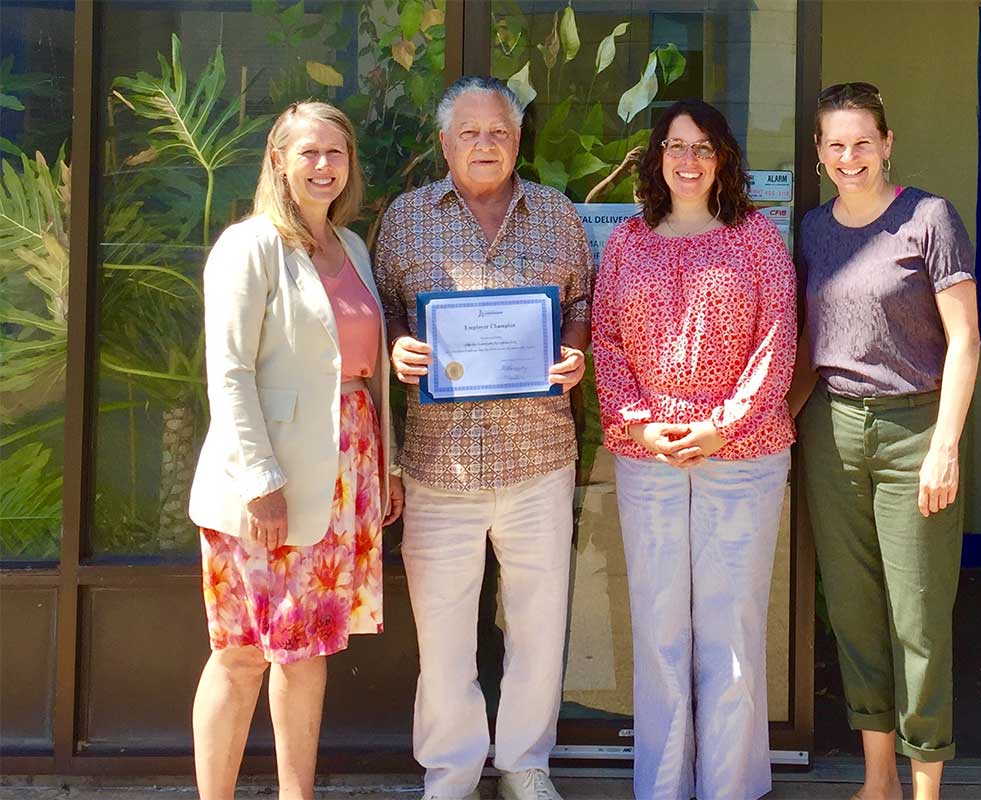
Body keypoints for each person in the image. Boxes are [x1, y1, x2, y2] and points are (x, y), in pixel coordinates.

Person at [372, 76, 593, 800]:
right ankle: (452, 771)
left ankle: (526, 764)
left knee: (538, 625)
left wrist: (573, 350)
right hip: (439, 463)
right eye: (468, 133)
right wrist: (399, 346)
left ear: (519, 139)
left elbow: (581, 304)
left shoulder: (558, 216)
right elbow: (382, 316)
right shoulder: (404, 220)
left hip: (538, 457)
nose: (484, 144)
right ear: (444, 143)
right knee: (443, 637)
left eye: (497, 131)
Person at [188, 100, 403, 800]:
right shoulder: (251, 246)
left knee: (308, 650)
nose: (323, 165)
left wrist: (387, 468)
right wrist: (260, 480)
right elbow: (230, 369)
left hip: (345, 468)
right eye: (308, 151)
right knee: (244, 653)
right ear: (278, 159)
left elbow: (367, 372)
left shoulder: (354, 247)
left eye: (335, 152)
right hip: (271, 478)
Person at [592, 99, 797, 800]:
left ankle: (729, 788)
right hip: (646, 455)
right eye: (675, 146)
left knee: (731, 627)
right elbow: (606, 345)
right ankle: (664, 787)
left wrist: (722, 426)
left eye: (702, 148)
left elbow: (778, 342)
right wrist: (639, 424)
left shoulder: (756, 240)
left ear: (723, 160)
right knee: (657, 626)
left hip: (743, 456)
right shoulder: (624, 242)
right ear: (656, 158)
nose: (688, 160)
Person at [787, 82, 981, 800]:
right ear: (817, 154)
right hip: (831, 431)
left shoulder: (928, 218)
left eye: (862, 142)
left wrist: (946, 445)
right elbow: (813, 344)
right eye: (835, 145)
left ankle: (925, 785)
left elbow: (964, 340)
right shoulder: (813, 230)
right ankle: (878, 782)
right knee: (854, 611)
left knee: (919, 619)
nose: (849, 157)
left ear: (887, 143)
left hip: (916, 428)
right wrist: (778, 424)